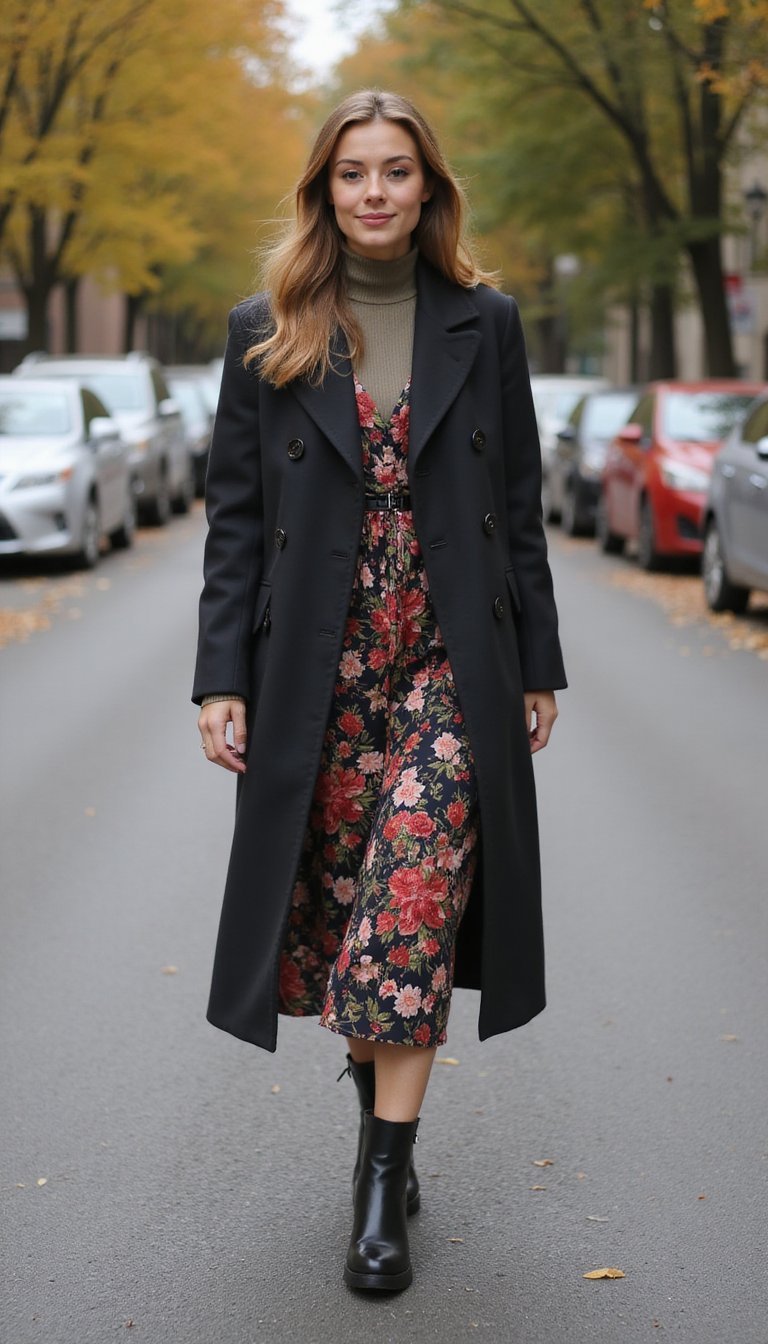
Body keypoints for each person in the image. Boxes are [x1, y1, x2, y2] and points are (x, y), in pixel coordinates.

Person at [193, 89, 566, 1293]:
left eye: (395, 171)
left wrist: (539, 664)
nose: (374, 192)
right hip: (318, 664)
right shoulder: (269, 328)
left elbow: (521, 509)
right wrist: (219, 681)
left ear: (427, 187)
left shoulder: (485, 323)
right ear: (324, 189)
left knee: (406, 903)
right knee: (355, 925)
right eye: (352, 171)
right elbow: (235, 529)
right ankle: (384, 1143)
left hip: (457, 661)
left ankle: (375, 1193)